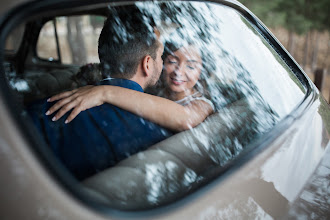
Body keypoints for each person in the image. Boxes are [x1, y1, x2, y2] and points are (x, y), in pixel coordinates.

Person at [27, 6, 173, 180]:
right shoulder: (158, 134)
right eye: (161, 55)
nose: (162, 62)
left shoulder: (39, 112)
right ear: (147, 64)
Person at [46, 30, 215, 132]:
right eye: (172, 62)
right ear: (161, 62)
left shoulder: (203, 104)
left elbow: (186, 119)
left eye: (191, 67)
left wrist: (104, 92)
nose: (179, 71)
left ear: (202, 73)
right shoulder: (154, 90)